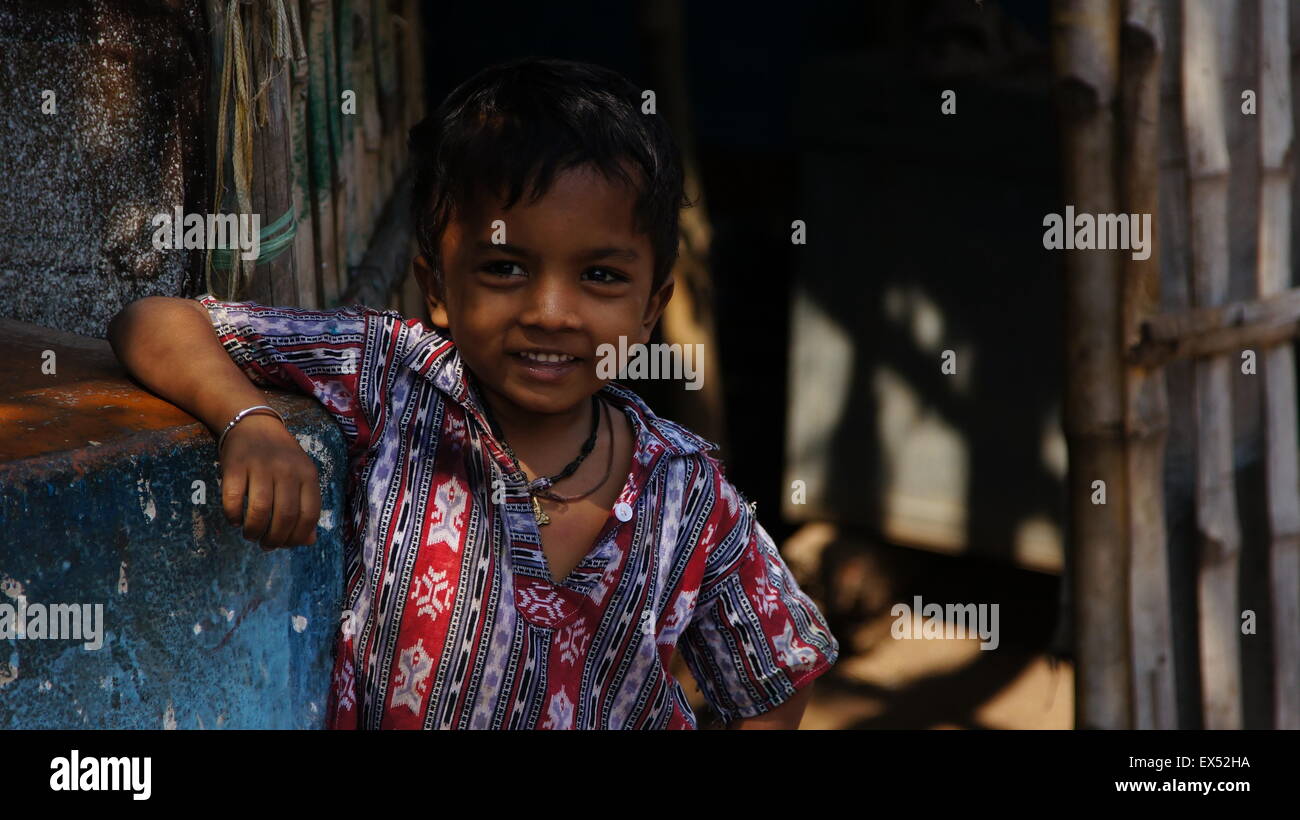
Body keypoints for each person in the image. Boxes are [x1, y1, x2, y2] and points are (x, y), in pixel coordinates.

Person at [108, 57, 837, 729]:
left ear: (651, 307)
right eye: (505, 268)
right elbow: (153, 322)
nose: (551, 311)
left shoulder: (688, 494)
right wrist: (251, 422)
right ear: (438, 287)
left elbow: (777, 672)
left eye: (602, 277)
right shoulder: (395, 380)